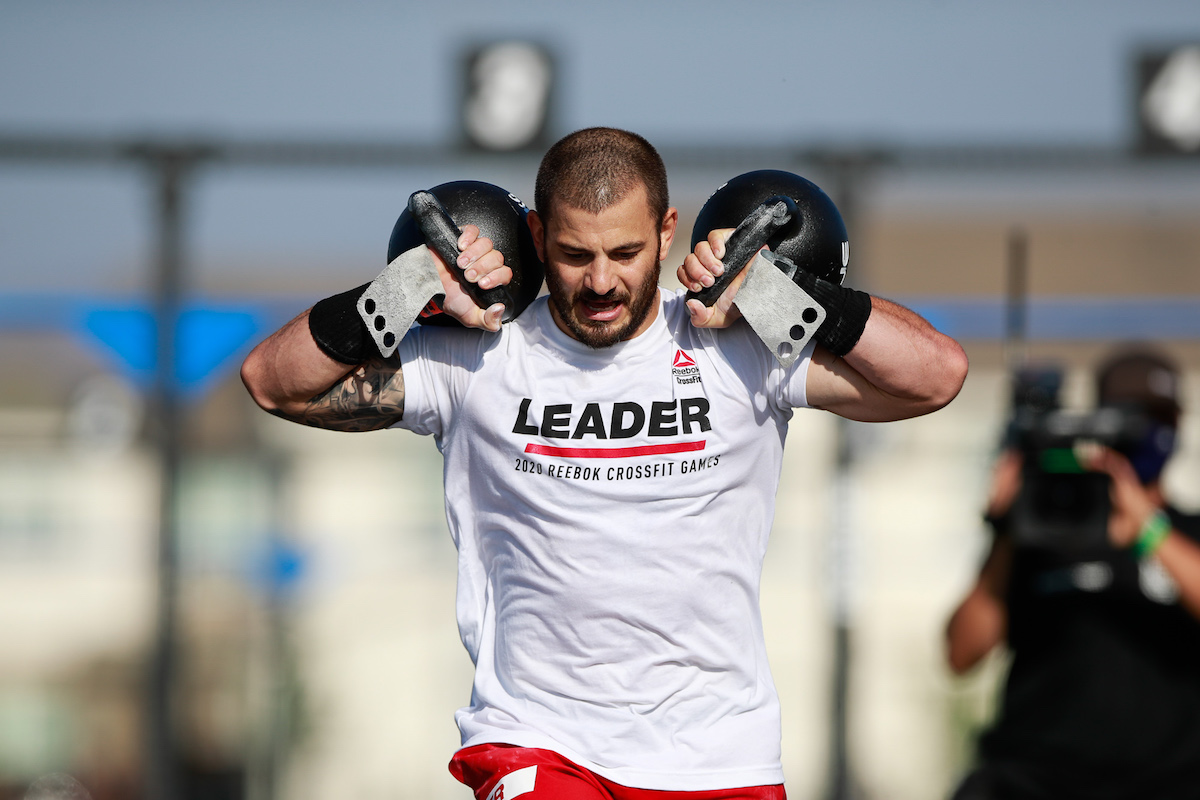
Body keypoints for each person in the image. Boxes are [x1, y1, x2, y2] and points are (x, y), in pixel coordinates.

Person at [241, 127, 968, 800]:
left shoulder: (744, 344)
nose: (600, 282)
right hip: (540, 743)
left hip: (721, 753)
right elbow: (272, 381)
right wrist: (406, 286)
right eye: (574, 254)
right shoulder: (477, 353)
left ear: (666, 232)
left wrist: (778, 289)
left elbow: (935, 375)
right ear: (535, 236)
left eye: (624, 254)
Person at [945, 347, 1200, 800]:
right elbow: (962, 653)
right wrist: (1006, 529)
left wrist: (1148, 530)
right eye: (1131, 415)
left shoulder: (1187, 535)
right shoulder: (1045, 528)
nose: (1146, 430)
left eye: (1159, 417)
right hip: (1038, 778)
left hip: (1167, 782)